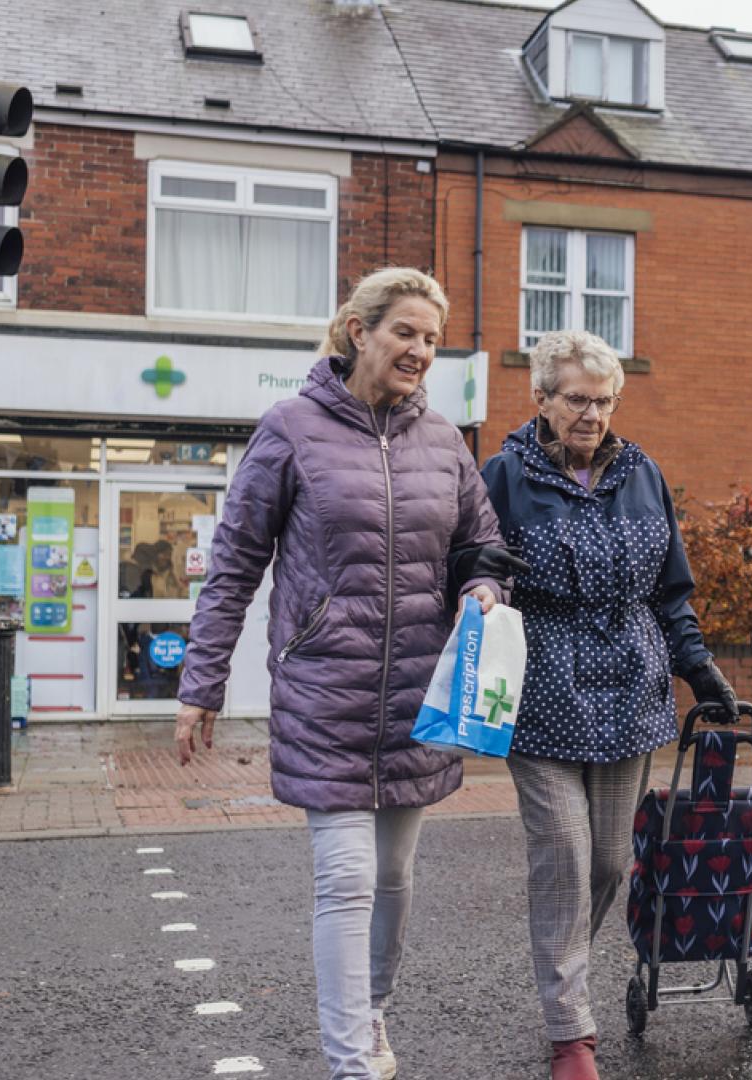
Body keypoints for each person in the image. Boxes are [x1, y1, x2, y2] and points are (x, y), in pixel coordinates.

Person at [174, 267, 509, 1080]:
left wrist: (482, 589)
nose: (421, 351)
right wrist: (200, 684)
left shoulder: (445, 442)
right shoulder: (290, 428)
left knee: (394, 879)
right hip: (325, 691)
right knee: (348, 880)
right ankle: (350, 1062)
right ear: (359, 332)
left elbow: (483, 544)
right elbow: (235, 564)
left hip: (415, 698)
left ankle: (372, 1011)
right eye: (406, 332)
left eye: (431, 338)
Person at [481, 329, 737, 1080]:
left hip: (630, 691)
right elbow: (468, 568)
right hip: (542, 693)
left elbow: (669, 592)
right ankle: (571, 1033)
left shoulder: (642, 475)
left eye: (603, 400)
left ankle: (564, 980)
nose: (591, 414)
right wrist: (479, 579)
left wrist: (700, 668)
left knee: (608, 861)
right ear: (541, 399)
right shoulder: (504, 475)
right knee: (562, 850)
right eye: (575, 399)